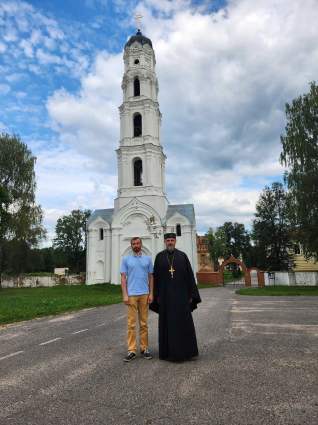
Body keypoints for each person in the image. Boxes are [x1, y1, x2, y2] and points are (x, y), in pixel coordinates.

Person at [149, 233, 201, 361]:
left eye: (172, 240)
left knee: (183, 322)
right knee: (168, 323)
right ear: (164, 242)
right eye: (168, 240)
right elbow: (155, 278)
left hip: (182, 297)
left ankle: (187, 352)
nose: (170, 242)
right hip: (165, 297)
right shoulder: (160, 257)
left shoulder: (182, 256)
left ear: (175, 241)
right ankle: (167, 352)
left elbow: (189, 276)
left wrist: (191, 294)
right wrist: (156, 295)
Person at [120, 237, 154, 362]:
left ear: (141, 244)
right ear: (131, 245)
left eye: (137, 243)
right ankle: (132, 350)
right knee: (131, 324)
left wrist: (151, 293)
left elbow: (151, 277)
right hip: (131, 295)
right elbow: (123, 278)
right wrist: (125, 294)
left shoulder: (147, 259)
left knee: (144, 323)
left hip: (144, 294)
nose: (135, 245)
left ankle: (144, 349)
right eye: (133, 244)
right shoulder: (126, 259)